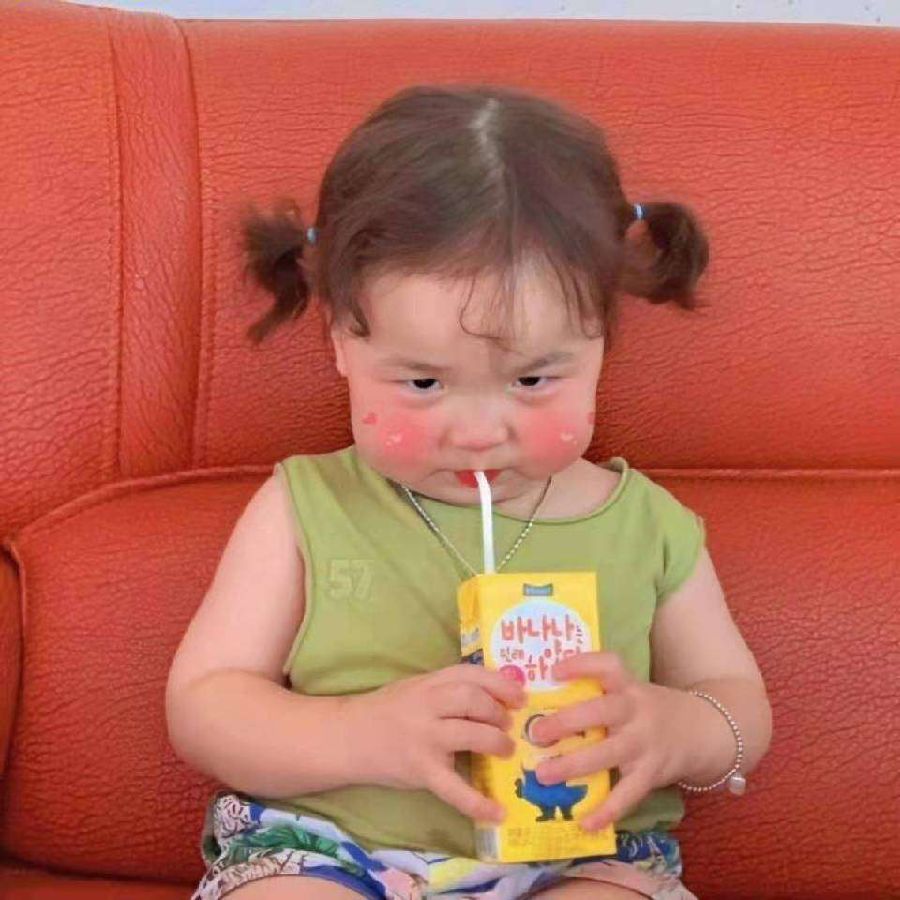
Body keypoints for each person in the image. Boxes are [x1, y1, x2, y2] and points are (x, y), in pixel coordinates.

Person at [166, 84, 772, 900]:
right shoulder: (305, 505)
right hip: (332, 852)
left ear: (600, 343)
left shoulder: (647, 526)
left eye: (532, 379)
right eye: (423, 382)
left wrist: (678, 731)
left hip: (582, 858)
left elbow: (741, 707)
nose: (480, 431)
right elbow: (204, 704)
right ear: (342, 341)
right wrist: (358, 733)